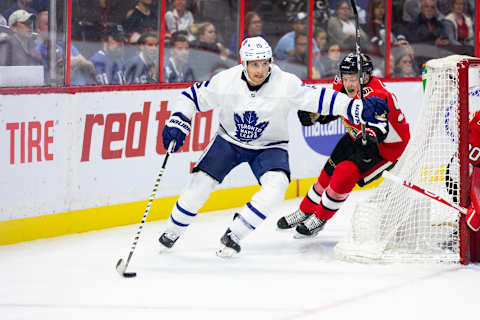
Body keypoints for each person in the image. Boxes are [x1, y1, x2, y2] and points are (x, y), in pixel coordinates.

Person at [158, 37, 390, 257]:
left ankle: (235, 234)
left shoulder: (285, 84)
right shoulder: (226, 81)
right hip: (228, 140)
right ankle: (172, 231)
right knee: (200, 185)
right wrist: (179, 119)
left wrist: (356, 108)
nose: (260, 70)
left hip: (270, 146)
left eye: (265, 63)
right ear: (243, 63)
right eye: (254, 64)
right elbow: (190, 97)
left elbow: (321, 98)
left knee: (277, 186)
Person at [276, 53, 410, 237]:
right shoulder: (342, 85)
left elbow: (380, 127)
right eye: (346, 78)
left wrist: (370, 137)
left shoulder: (378, 95)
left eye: (353, 79)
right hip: (356, 135)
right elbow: (336, 105)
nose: (348, 84)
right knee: (328, 172)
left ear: (364, 77)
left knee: (344, 172)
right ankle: (306, 210)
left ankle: (319, 218)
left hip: (385, 147)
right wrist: (318, 115)